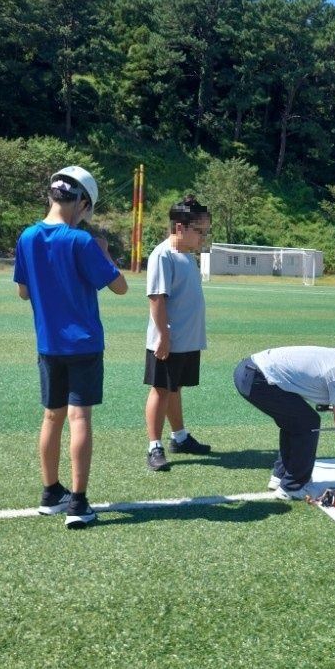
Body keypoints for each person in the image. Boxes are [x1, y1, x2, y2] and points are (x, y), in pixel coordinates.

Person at [13, 166, 128, 529]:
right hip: (84, 344)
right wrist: (105, 254)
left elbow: (23, 291)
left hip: (48, 344)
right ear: (81, 202)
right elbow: (120, 286)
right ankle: (78, 502)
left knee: (52, 417)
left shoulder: (27, 237)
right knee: (80, 418)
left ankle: (51, 494)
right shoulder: (81, 242)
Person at [233, 344, 335, 499]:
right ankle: (293, 487)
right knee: (308, 423)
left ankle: (281, 475)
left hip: (251, 372)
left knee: (295, 421)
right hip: (258, 380)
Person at [144, 195, 211, 471]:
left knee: (175, 388)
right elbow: (157, 298)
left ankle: (179, 437)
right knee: (160, 390)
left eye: (205, 232)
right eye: (199, 231)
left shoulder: (187, 257)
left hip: (185, 340)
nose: (203, 238)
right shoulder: (163, 255)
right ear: (180, 227)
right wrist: (163, 335)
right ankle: (154, 446)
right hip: (168, 340)